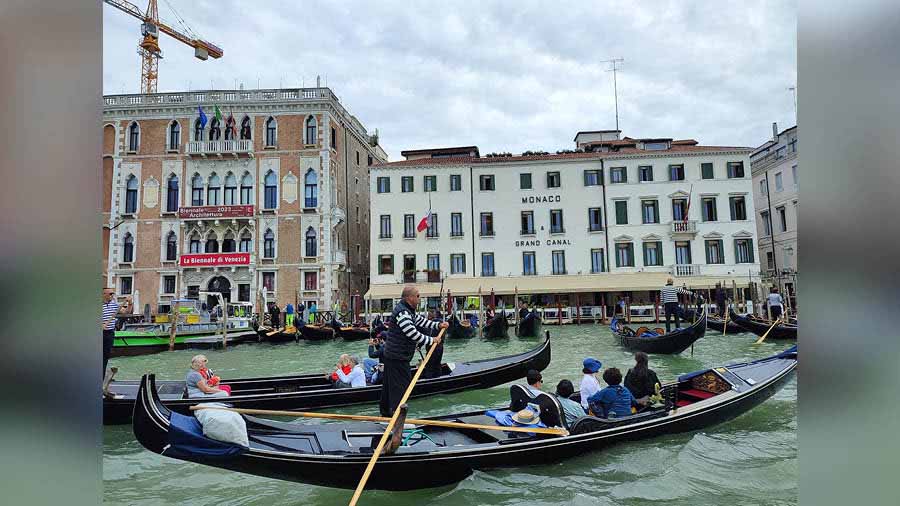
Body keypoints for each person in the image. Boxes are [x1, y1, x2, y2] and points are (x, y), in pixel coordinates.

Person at [379, 286, 448, 416]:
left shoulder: (408, 311)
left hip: (395, 357)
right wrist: (431, 340)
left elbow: (421, 321)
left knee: (390, 387)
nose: (419, 298)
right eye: (417, 296)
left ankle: (386, 416)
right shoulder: (403, 313)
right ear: (409, 298)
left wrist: (438, 325)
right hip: (397, 358)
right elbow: (412, 333)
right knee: (400, 388)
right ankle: (396, 420)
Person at [101, 287, 119, 381]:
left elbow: (126, 312)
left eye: (113, 294)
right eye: (110, 294)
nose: (112, 295)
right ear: (104, 294)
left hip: (109, 333)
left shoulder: (114, 305)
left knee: (105, 357)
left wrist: (130, 303)